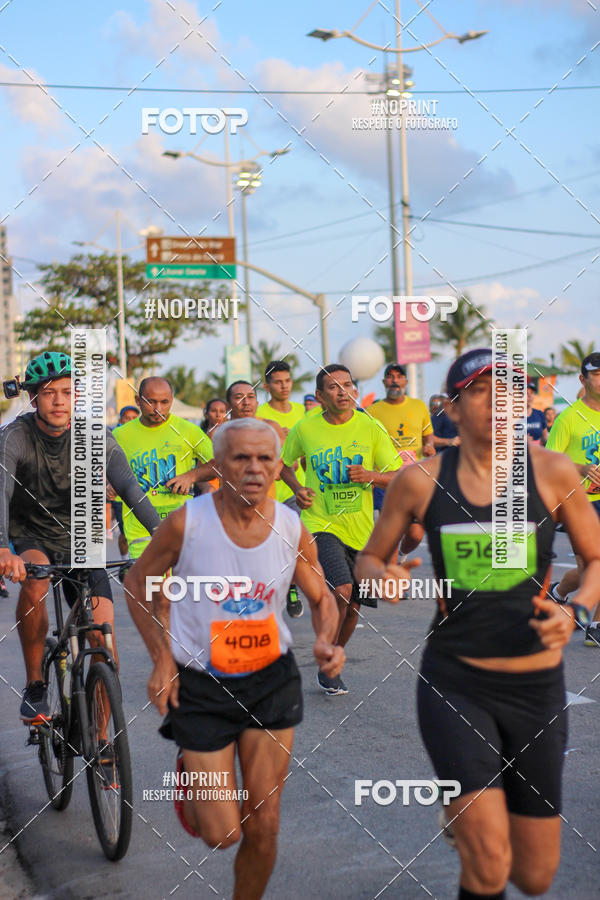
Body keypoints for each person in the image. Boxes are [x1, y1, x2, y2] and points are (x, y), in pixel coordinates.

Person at [356, 347, 600, 900]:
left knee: (534, 877)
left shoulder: (554, 472)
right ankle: (471, 810)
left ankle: (468, 810)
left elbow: (595, 562)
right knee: (489, 865)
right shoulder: (419, 481)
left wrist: (575, 610)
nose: (498, 403)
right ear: (453, 408)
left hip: (536, 687)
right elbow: (370, 558)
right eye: (482, 391)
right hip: (456, 683)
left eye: (510, 391)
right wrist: (383, 576)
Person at [124, 419, 343, 900]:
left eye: (265, 459)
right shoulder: (188, 523)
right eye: (241, 458)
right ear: (218, 467)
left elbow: (322, 597)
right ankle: (196, 772)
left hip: (271, 679)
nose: (254, 469)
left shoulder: (290, 526)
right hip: (201, 683)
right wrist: (161, 660)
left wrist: (326, 640)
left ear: (279, 466)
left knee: (263, 823)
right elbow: (138, 582)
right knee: (222, 834)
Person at [0, 351, 161, 722]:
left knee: (105, 646)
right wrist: (2, 549)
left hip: (81, 538)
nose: (59, 400)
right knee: (35, 581)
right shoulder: (14, 437)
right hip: (31, 536)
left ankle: (104, 744)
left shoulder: (94, 436)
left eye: (68, 392)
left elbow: (130, 490)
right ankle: (36, 684)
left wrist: (164, 538)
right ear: (33, 396)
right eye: (49, 392)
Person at [281, 364, 402, 694]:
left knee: (354, 607)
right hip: (320, 524)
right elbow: (280, 464)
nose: (343, 391)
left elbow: (399, 474)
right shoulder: (305, 429)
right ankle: (328, 657)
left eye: (348, 385)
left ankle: (334, 655)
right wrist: (295, 487)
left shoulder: (370, 427)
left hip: (362, 531)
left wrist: (370, 476)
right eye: (334, 387)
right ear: (320, 396)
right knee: (343, 590)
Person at [114, 377, 213, 560]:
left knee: (178, 587)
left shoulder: (188, 430)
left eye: (164, 402)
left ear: (171, 401)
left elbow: (220, 463)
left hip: (180, 526)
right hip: (140, 532)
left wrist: (191, 476)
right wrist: (107, 484)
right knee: (152, 587)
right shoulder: (120, 435)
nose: (158, 409)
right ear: (138, 401)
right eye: (150, 402)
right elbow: (98, 472)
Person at [546, 352, 600, 645]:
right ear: (583, 379)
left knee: (587, 571)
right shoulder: (568, 418)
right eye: (597, 375)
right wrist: (580, 467)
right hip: (579, 503)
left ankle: (557, 594)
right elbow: (550, 464)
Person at [369, 364, 435, 511]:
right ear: (384, 382)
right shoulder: (372, 411)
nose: (395, 380)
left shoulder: (419, 406)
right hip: (386, 477)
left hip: (415, 474)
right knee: (389, 528)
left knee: (416, 533)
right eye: (390, 376)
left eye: (399, 377)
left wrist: (429, 445)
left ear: (406, 381)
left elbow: (427, 433)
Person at [110, 404, 140, 556]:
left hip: (141, 491)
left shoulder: (144, 436)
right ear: (120, 419)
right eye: (127, 418)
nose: (130, 421)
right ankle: (125, 562)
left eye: (134, 418)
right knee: (125, 532)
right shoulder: (113, 436)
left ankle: (132, 564)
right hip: (119, 493)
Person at [526, 380, 548, 445]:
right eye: (526, 393)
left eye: (532, 393)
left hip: (537, 453)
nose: (529, 396)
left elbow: (544, 438)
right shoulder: (511, 416)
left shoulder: (539, 414)